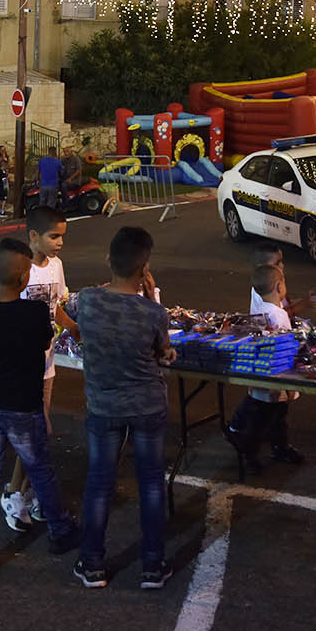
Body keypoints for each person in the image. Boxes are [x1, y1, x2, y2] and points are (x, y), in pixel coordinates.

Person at [0, 238, 82, 579]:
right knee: (40, 469)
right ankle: (60, 530)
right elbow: (46, 340)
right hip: (24, 407)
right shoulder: (33, 314)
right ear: (22, 279)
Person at [70, 226, 176, 590]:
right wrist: (148, 296)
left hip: (103, 405)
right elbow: (162, 352)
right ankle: (152, 565)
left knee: (100, 481)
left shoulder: (86, 300)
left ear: (107, 261)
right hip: (147, 405)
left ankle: (93, 564)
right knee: (150, 482)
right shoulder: (153, 313)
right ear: (145, 269)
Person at [0, 206, 77, 531]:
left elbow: (55, 305)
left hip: (46, 365)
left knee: (38, 434)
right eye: (53, 236)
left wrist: (73, 327)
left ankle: (28, 492)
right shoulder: (16, 267)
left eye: (62, 236)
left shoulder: (56, 266)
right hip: (21, 367)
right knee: (34, 434)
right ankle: (14, 492)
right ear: (33, 236)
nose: (59, 243)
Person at [225, 263, 303, 470]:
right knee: (266, 417)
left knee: (273, 414)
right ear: (279, 287)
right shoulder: (278, 315)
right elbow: (286, 343)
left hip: (262, 373)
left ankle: (279, 447)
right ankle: (247, 448)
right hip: (276, 376)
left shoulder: (259, 310)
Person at [0, 144, 11, 218]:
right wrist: (7, 187)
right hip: (3, 185)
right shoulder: (2, 173)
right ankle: (2, 211)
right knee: (3, 199)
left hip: (0, 184)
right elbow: (5, 182)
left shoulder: (0, 173)